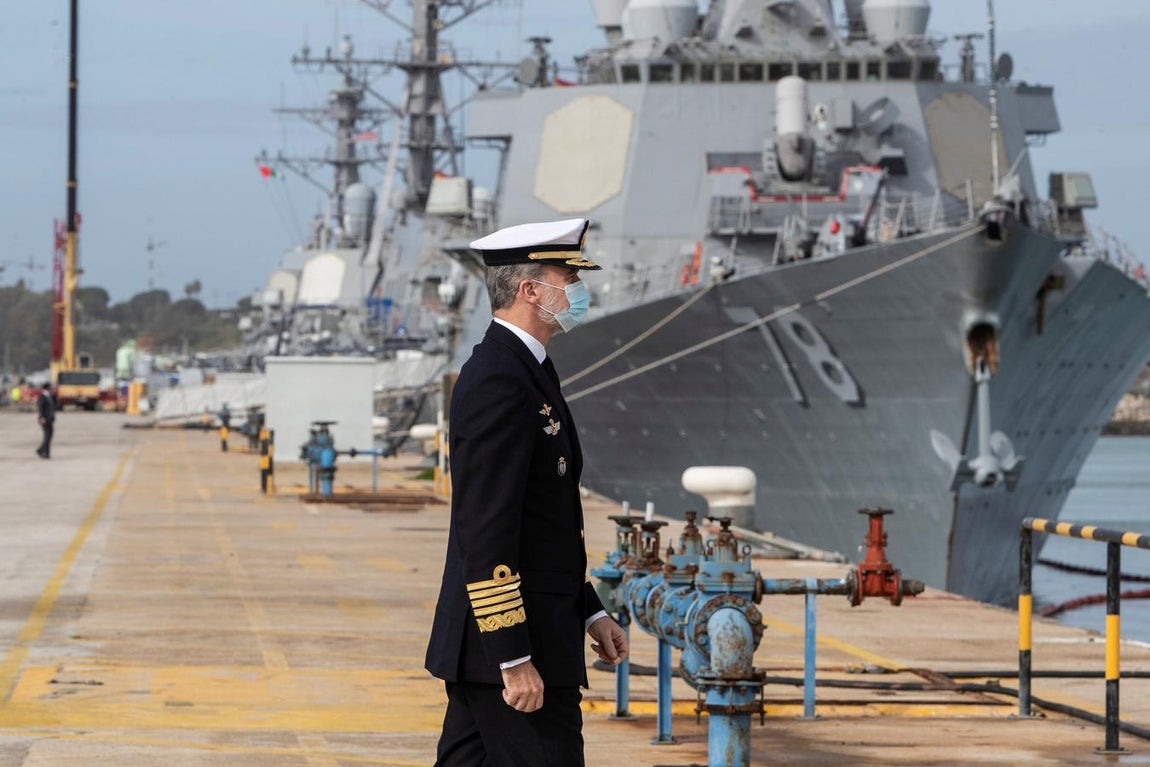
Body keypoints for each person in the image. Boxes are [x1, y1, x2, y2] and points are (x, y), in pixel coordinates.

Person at [426, 218, 628, 767]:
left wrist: (589, 611)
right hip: (515, 647)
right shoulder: (499, 378)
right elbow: (487, 529)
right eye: (569, 277)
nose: (579, 292)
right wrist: (513, 657)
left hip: (514, 638)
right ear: (531, 290)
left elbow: (546, 523)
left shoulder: (529, 369)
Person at [36, 383, 56, 459]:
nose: (52, 389)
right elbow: (40, 408)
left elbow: (55, 405)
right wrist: (41, 417)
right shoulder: (42, 396)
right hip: (44, 419)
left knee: (49, 436)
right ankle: (45, 453)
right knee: (47, 436)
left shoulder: (50, 396)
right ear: (47, 388)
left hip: (50, 419)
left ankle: (41, 450)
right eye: (51, 388)